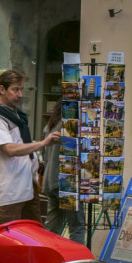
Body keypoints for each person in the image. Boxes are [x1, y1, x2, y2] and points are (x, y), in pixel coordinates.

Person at [0, 69, 60, 225]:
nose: (20, 94)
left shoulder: (17, 115)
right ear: (2, 90)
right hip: (10, 190)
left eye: (21, 89)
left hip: (27, 186)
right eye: (15, 89)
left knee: (34, 235)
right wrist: (42, 143)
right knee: (10, 242)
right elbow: (9, 149)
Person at [42, 97, 85, 244]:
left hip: (50, 182)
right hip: (66, 182)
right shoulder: (69, 125)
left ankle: (48, 261)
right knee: (77, 226)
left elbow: (44, 155)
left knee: (52, 228)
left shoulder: (50, 125)